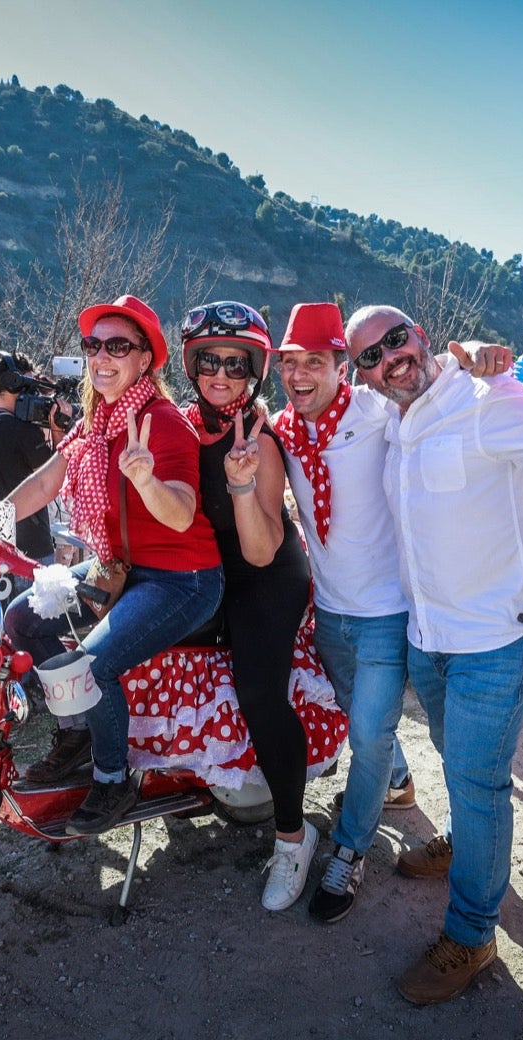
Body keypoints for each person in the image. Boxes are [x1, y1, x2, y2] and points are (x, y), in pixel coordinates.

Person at [343, 302, 523, 1005]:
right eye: (369, 354)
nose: (388, 358)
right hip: (429, 639)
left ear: (421, 335)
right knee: (462, 769)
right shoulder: (386, 415)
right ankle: (462, 843)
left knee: (479, 781)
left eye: (396, 340)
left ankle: (472, 935)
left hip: (497, 636)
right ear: (361, 373)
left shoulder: (491, 397)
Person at [2, 295, 224, 835]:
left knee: (93, 664)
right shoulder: (97, 423)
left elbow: (181, 515)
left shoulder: (162, 422)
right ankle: (78, 729)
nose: (102, 355)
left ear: (145, 360)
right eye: (93, 345)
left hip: (183, 579)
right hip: (120, 565)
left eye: (118, 346)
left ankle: (111, 779)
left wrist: (146, 479)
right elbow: (50, 478)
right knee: (22, 617)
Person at [271, 302, 422, 924]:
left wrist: (475, 361)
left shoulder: (381, 412)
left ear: (342, 366)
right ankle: (398, 781)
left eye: (314, 362)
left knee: (368, 735)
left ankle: (349, 852)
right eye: (288, 364)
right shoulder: (280, 432)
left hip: (386, 612)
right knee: (365, 717)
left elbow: (439, 399)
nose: (299, 375)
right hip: (328, 614)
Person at [178, 301, 316, 910]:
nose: (222, 373)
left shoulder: (263, 437)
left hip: (266, 574)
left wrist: (239, 481)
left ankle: (292, 835)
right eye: (209, 359)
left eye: (237, 363)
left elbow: (260, 550)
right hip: (207, 572)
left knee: (261, 693)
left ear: (256, 370)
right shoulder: (179, 425)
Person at [0, 352, 60, 560]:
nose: (33, 391)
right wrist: (58, 430)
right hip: (31, 548)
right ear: (12, 382)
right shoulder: (22, 430)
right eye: (28, 383)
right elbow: (55, 479)